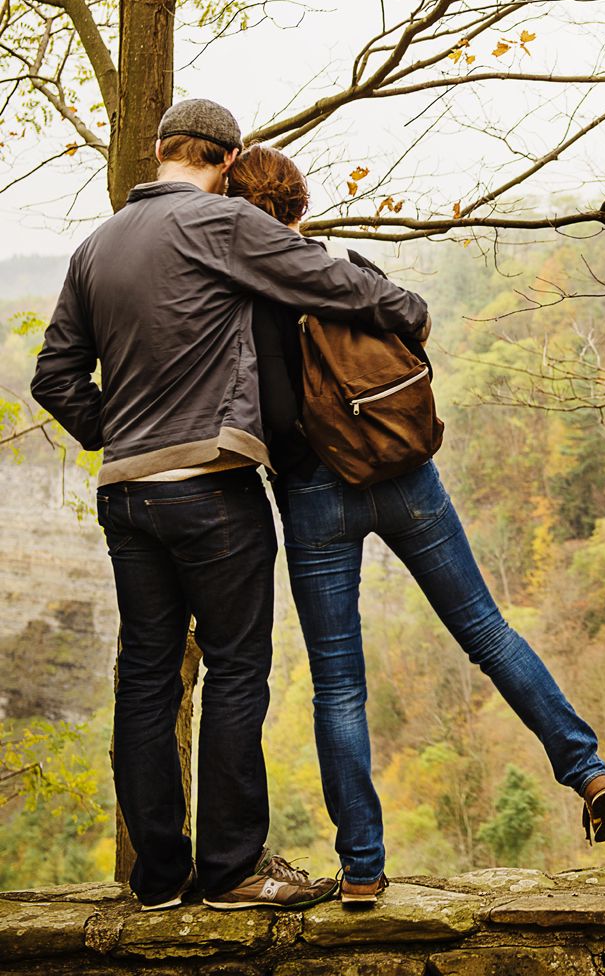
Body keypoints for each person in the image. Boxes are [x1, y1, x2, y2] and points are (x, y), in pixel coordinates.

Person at [31, 99, 429, 912]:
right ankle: (230, 873)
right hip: (211, 486)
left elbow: (55, 378)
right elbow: (332, 281)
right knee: (238, 672)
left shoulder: (94, 247)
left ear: (159, 150)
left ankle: (156, 878)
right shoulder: (216, 224)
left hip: (127, 497)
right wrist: (408, 311)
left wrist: (121, 431)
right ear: (226, 157)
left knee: (147, 680)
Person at [226, 144, 605, 908]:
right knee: (488, 632)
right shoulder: (341, 267)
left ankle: (362, 869)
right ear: (300, 209)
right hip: (407, 473)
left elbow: (270, 414)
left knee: (338, 684)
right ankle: (588, 770)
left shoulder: (247, 308)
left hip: (315, 495)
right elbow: (413, 325)